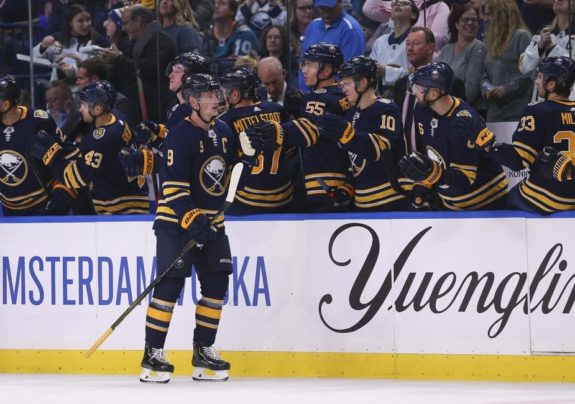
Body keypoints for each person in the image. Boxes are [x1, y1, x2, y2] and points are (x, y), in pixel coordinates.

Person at [140, 73, 257, 383]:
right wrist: (194, 221)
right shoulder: (179, 136)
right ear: (193, 101)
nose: (215, 99)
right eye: (208, 95)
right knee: (169, 286)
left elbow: (232, 177)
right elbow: (174, 189)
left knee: (217, 284)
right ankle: (152, 355)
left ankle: (203, 351)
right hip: (176, 223)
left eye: (216, 94)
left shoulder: (224, 130)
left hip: (212, 223)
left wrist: (249, 159)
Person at [463, 56, 575, 213]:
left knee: (503, 201)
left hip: (550, 197)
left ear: (551, 84)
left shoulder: (537, 112)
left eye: (540, 77)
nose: (536, 81)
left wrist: (487, 143)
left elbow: (518, 162)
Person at [398, 62, 508, 210]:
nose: (413, 91)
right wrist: (424, 182)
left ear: (434, 93)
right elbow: (435, 157)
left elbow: (464, 179)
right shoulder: (421, 110)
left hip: (487, 201)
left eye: (418, 87)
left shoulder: (463, 122)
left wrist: (434, 175)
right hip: (452, 203)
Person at [29, 80, 150, 215]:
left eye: (84, 105)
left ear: (97, 109)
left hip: (119, 210)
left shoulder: (100, 139)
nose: (80, 109)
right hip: (134, 198)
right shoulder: (117, 117)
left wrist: (51, 156)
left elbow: (75, 178)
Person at [317, 56, 408, 211]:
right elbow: (356, 162)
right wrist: (347, 189)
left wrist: (347, 134)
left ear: (363, 83)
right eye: (342, 84)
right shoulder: (351, 114)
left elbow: (382, 146)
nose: (343, 89)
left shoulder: (386, 109)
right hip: (362, 204)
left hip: (391, 202)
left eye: (347, 83)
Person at [217, 66, 295, 214]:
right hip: (285, 196)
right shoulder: (277, 109)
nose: (221, 96)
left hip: (247, 199)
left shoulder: (225, 121)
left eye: (224, 91)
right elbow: (290, 150)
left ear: (235, 95)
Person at [0, 75, 76, 216]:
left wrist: (65, 189)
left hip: (42, 207)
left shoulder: (37, 120)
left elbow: (70, 155)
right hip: (8, 211)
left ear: (5, 104)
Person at [102, 5, 177, 123]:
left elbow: (146, 70)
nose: (123, 28)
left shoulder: (160, 42)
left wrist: (118, 59)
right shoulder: (136, 43)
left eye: (125, 23)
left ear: (138, 21)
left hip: (157, 110)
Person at [481, 0, 532, 122]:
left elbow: (531, 73)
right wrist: (487, 90)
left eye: (489, 14)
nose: (485, 19)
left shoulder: (521, 36)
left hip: (517, 111)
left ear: (502, 14)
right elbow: (484, 76)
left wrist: (506, 89)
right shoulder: (490, 42)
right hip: (494, 112)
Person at [298, 0, 365, 91]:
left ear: (340, 2)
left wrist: (325, 95)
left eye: (330, 8)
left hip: (334, 97)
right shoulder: (313, 25)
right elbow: (303, 64)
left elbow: (349, 74)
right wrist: (305, 94)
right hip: (308, 94)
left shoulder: (351, 30)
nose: (326, 13)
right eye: (322, 8)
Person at [33, 4, 108, 80]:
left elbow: (92, 68)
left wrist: (74, 70)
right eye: (80, 21)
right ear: (70, 23)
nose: (86, 24)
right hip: (59, 85)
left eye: (88, 20)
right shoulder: (57, 38)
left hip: (83, 87)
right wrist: (43, 46)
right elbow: (35, 59)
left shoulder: (96, 40)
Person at [519, 0, 575, 102]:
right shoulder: (543, 33)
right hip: (540, 102)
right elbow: (524, 67)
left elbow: (571, 69)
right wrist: (539, 47)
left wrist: (553, 47)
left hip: (568, 102)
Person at [393, 26, 435, 154]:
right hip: (405, 162)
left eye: (416, 44)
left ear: (430, 48)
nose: (410, 48)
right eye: (408, 44)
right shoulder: (401, 84)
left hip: (436, 162)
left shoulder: (446, 83)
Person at [437, 4, 486, 108]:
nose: (470, 23)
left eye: (474, 20)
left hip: (464, 110)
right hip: (441, 107)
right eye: (465, 19)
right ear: (456, 24)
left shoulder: (478, 48)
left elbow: (471, 90)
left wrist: (447, 107)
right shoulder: (446, 49)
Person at [369, 0, 419, 98]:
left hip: (408, 96)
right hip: (379, 96)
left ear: (413, 15)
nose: (398, 4)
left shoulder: (418, 41)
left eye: (404, 3)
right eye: (394, 3)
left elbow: (418, 71)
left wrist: (387, 72)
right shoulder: (380, 41)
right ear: (391, 15)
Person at [363, 0, 450, 54]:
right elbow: (369, 9)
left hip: (420, 61)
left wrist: (406, 29)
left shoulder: (440, 7)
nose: (397, 5)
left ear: (413, 15)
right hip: (390, 52)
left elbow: (440, 42)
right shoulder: (398, 4)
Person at [201, 0, 260, 75]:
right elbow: (203, 64)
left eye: (221, 3)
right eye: (215, 3)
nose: (216, 6)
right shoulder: (208, 36)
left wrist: (216, 62)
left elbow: (242, 67)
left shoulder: (245, 35)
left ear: (232, 10)